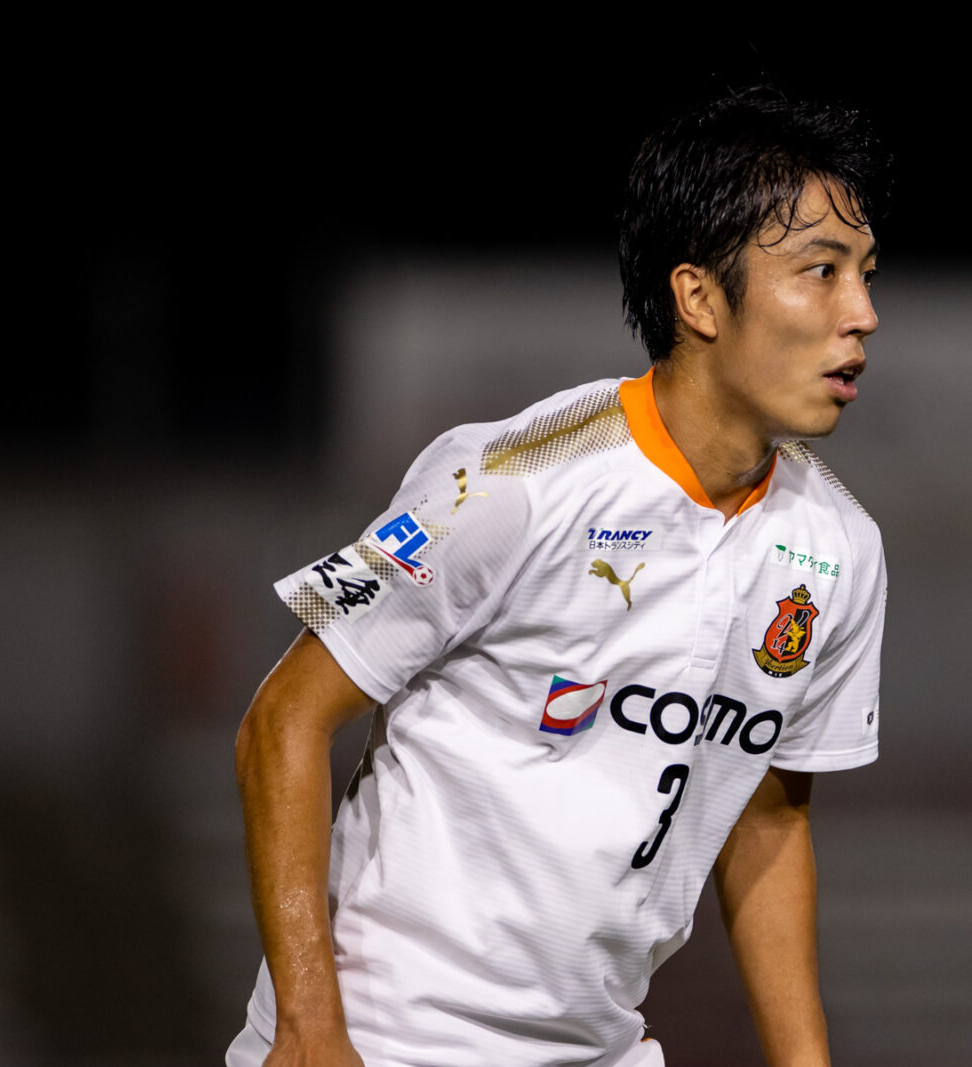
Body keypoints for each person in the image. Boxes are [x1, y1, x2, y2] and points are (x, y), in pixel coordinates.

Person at [228, 88, 889, 1067]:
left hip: (599, 1046)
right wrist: (310, 1029)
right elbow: (281, 720)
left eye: (866, 273)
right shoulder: (511, 480)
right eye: (821, 271)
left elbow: (768, 811)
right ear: (699, 297)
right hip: (388, 1038)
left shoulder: (838, 547)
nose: (863, 314)